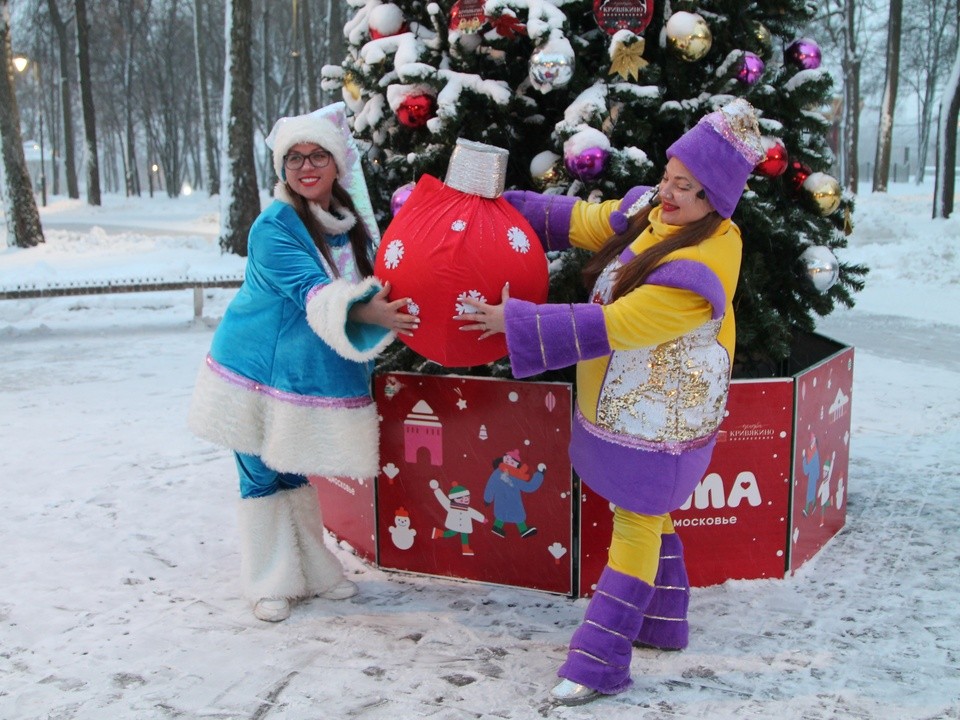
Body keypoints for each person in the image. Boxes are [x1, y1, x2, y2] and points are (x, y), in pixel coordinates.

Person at [455, 98, 764, 705]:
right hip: (631, 406)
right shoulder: (660, 213)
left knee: (638, 522)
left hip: (659, 423)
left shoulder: (697, 272)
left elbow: (615, 325)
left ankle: (598, 662)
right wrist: (503, 210)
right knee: (648, 514)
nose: (668, 194)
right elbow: (587, 221)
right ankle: (664, 619)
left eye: (686, 189)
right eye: (671, 178)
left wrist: (513, 323)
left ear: (715, 204)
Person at [188, 104, 419, 623]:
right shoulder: (275, 226)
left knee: (292, 472)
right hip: (250, 372)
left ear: (337, 164)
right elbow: (311, 290)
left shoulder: (345, 223)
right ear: (282, 169)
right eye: (294, 158)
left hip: (296, 375)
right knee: (260, 476)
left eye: (318, 155)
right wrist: (366, 310)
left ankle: (313, 570)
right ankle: (268, 581)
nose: (306, 166)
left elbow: (368, 275)